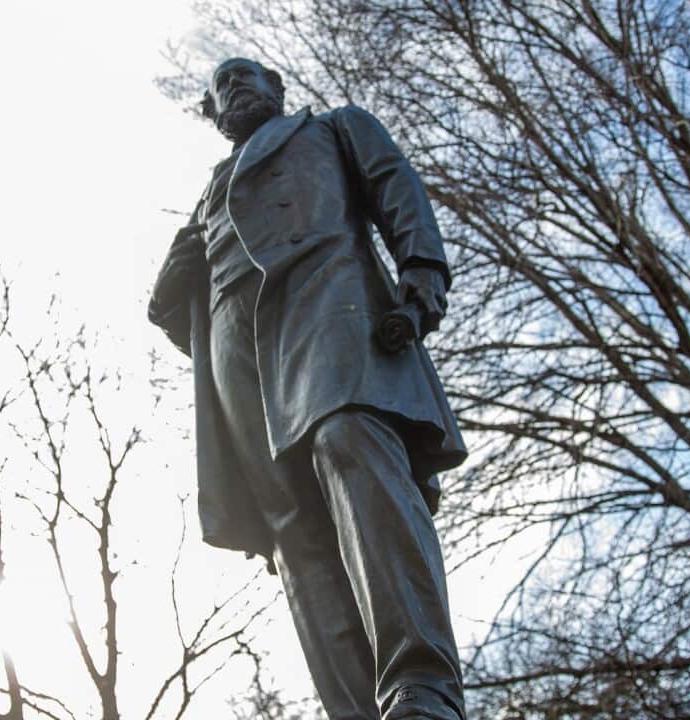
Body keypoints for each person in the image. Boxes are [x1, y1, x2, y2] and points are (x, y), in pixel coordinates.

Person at [147, 57, 468, 720]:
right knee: (291, 528)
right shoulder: (210, 194)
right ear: (212, 116)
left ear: (276, 88)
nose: (232, 85)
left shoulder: (335, 128)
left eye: (244, 75)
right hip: (241, 359)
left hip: (331, 305)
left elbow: (396, 190)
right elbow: (192, 322)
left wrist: (422, 278)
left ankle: (422, 686)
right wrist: (169, 299)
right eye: (219, 88)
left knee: (349, 440)